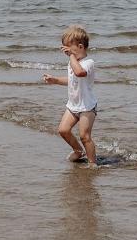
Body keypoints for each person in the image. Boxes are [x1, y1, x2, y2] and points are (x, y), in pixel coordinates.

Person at [42, 25, 98, 166]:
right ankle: (78, 151)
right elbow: (72, 80)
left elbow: (80, 73)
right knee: (63, 130)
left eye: (68, 48)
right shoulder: (72, 62)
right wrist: (55, 80)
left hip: (87, 106)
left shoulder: (88, 63)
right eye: (64, 49)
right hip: (73, 105)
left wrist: (72, 57)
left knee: (85, 136)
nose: (66, 52)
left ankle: (92, 164)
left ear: (80, 46)